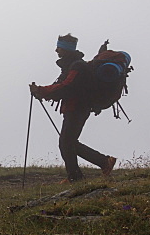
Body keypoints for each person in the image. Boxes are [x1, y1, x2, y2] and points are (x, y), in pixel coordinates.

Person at [30, 34, 117, 182]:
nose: (56, 50)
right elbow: (65, 88)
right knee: (69, 142)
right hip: (76, 107)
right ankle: (102, 163)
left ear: (67, 49)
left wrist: (42, 91)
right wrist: (42, 92)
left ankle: (77, 176)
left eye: (60, 47)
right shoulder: (73, 65)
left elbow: (66, 87)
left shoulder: (77, 66)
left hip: (77, 108)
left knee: (66, 142)